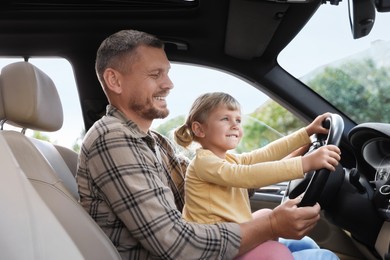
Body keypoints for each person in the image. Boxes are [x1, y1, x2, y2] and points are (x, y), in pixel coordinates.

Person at [76, 29, 339, 259]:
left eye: (167, 74)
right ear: (115, 80)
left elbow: (225, 179)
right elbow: (176, 245)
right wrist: (271, 224)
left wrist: (299, 147)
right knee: (320, 257)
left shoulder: (154, 142)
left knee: (306, 245)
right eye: (156, 74)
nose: (169, 84)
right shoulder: (113, 139)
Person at [173, 92, 341, 259]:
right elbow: (248, 175)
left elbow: (265, 153)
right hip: (219, 247)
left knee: (305, 243)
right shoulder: (203, 163)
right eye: (225, 119)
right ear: (199, 129)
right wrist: (306, 163)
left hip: (237, 234)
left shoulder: (229, 159)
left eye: (238, 120)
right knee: (324, 256)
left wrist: (306, 132)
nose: (235, 125)